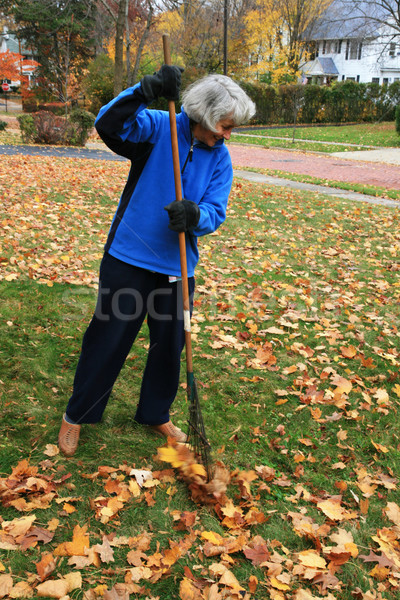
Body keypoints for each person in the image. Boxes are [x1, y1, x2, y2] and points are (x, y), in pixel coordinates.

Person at [57, 65, 256, 456]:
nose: (228, 136)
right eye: (225, 126)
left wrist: (195, 217)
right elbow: (109, 124)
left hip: (177, 268)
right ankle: (76, 415)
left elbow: (216, 209)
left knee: (169, 346)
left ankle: (154, 413)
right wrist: (143, 90)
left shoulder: (221, 158)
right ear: (204, 116)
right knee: (108, 339)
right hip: (128, 259)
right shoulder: (157, 126)